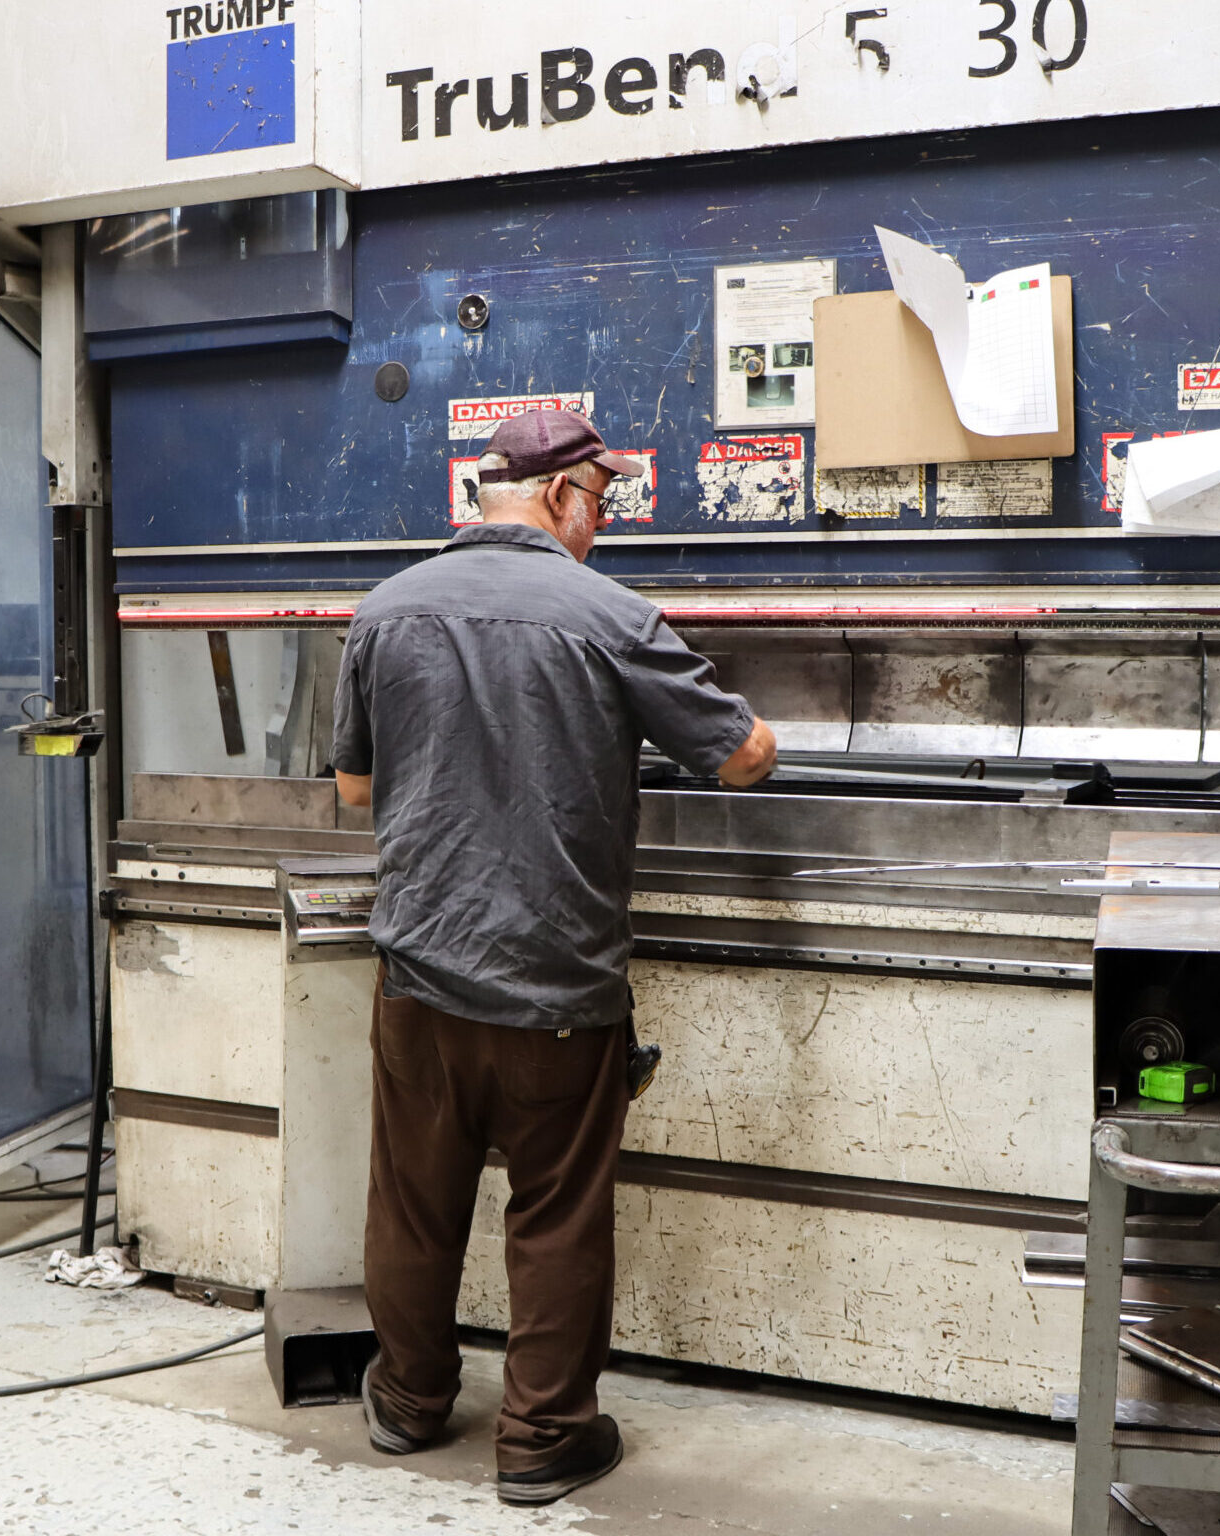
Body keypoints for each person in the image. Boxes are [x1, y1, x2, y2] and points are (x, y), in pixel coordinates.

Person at [330, 408, 778, 1506]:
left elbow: (353, 788)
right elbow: (746, 759)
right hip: (558, 988)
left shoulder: (384, 610)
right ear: (562, 493)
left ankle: (408, 1401)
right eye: (603, 501)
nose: (603, 523)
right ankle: (540, 1439)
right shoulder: (609, 615)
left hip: (419, 979)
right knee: (556, 1215)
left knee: (414, 1203)